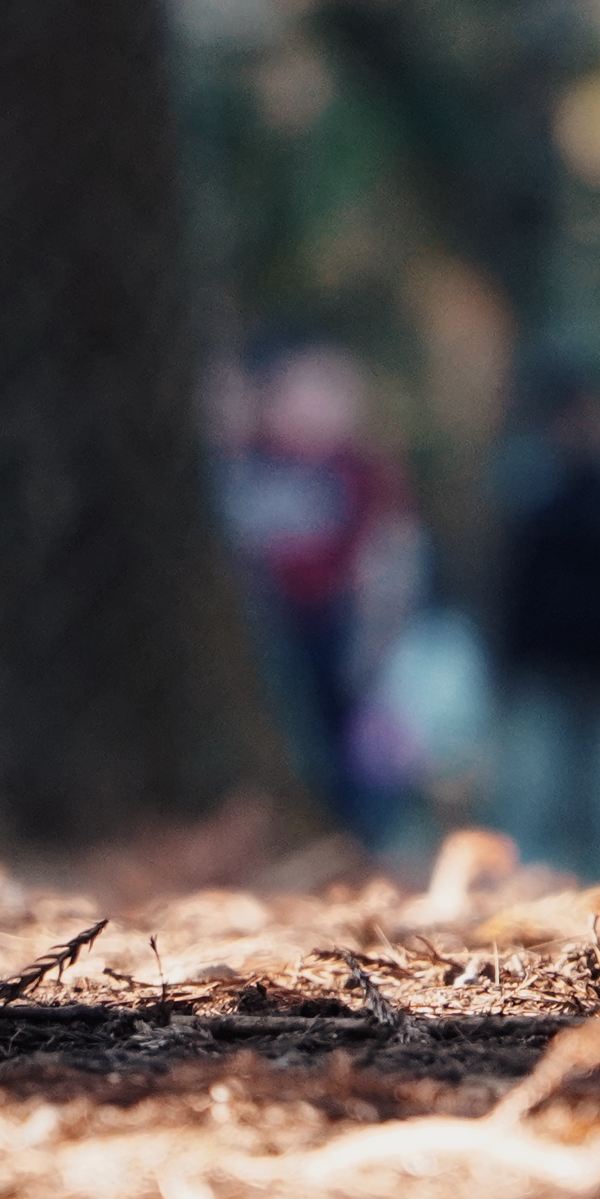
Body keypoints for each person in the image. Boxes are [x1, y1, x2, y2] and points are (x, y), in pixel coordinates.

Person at [217, 340, 419, 843]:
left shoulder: (362, 471)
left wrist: (376, 627)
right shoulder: (246, 462)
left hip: (337, 624)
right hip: (265, 624)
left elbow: (391, 553)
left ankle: (352, 832)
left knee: (343, 738)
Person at [489, 370, 600, 881]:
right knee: (535, 797)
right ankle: (527, 889)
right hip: (546, 673)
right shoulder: (531, 491)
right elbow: (512, 585)